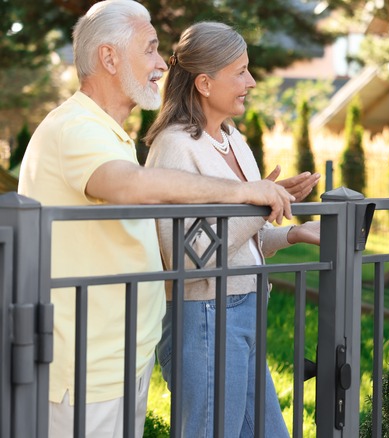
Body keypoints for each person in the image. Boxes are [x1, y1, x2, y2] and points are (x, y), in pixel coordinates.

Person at [17, 1, 315, 437]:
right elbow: (160, 221)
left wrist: (285, 227)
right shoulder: (77, 129)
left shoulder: (111, 136)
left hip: (123, 356)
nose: (162, 62)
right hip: (95, 364)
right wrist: (247, 199)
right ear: (109, 57)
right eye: (151, 48)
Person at [144, 21, 320, 438]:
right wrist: (261, 203)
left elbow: (242, 243)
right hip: (204, 317)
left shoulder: (233, 140)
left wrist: (290, 232)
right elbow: (189, 257)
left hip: (245, 310)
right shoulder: (174, 147)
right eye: (240, 71)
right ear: (204, 83)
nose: (252, 81)